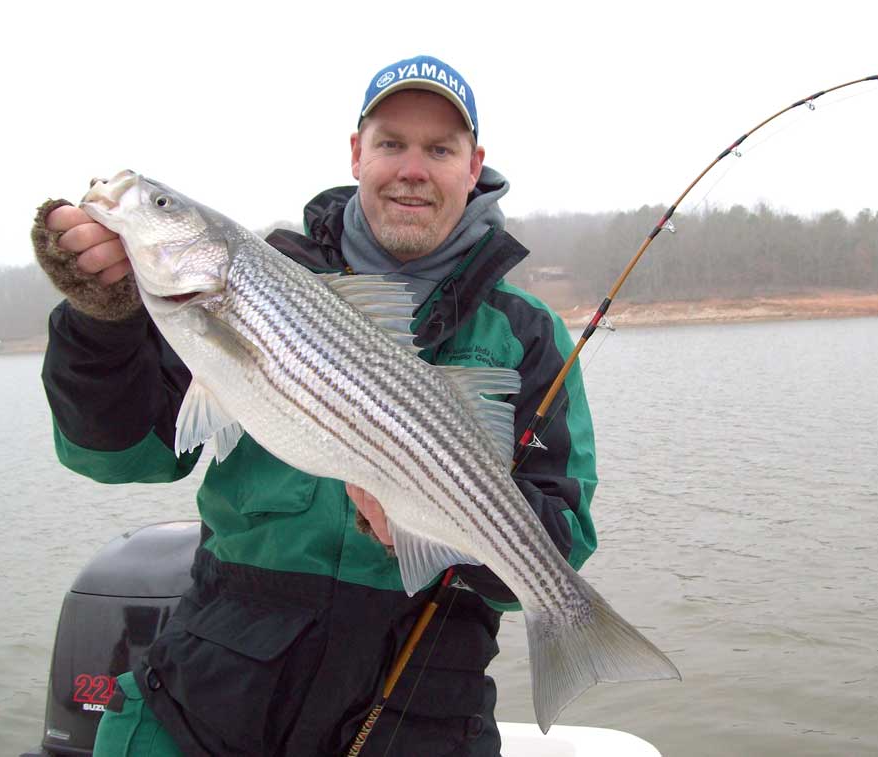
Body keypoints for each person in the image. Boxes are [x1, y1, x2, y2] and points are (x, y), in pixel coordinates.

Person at [32, 55, 598, 756]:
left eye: (440, 148)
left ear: (473, 164)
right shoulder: (263, 276)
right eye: (391, 143)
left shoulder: (526, 334)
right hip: (206, 705)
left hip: (417, 716)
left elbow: (563, 531)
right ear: (356, 152)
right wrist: (101, 321)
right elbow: (119, 453)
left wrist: (434, 527)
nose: (412, 168)